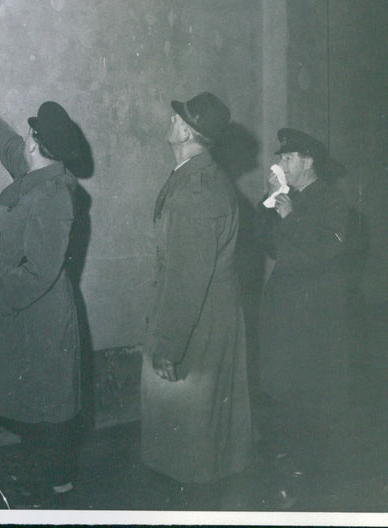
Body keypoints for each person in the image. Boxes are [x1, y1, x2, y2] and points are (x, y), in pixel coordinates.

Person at [0, 82, 82, 504]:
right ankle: (49, 477)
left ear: (37, 144)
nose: (24, 140)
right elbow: (12, 150)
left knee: (44, 405)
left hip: (36, 309)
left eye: (29, 136)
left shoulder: (54, 195)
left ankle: (50, 486)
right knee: (36, 400)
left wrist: (1, 296)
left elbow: (41, 269)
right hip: (29, 309)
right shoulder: (40, 174)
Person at [141, 91, 253, 490]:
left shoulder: (196, 192)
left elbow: (187, 279)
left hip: (197, 319)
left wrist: (169, 346)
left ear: (186, 131)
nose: (170, 122)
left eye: (177, 119)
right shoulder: (195, 177)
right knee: (201, 434)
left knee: (191, 440)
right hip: (207, 313)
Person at [256, 127, 352, 503]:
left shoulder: (331, 199)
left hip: (313, 316)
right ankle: (288, 464)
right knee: (283, 389)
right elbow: (265, 242)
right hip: (286, 311)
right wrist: (270, 200)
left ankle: (305, 476)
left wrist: (292, 217)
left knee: (307, 393)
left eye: (287, 158)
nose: (280, 163)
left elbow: (328, 252)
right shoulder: (288, 196)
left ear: (308, 161)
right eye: (280, 158)